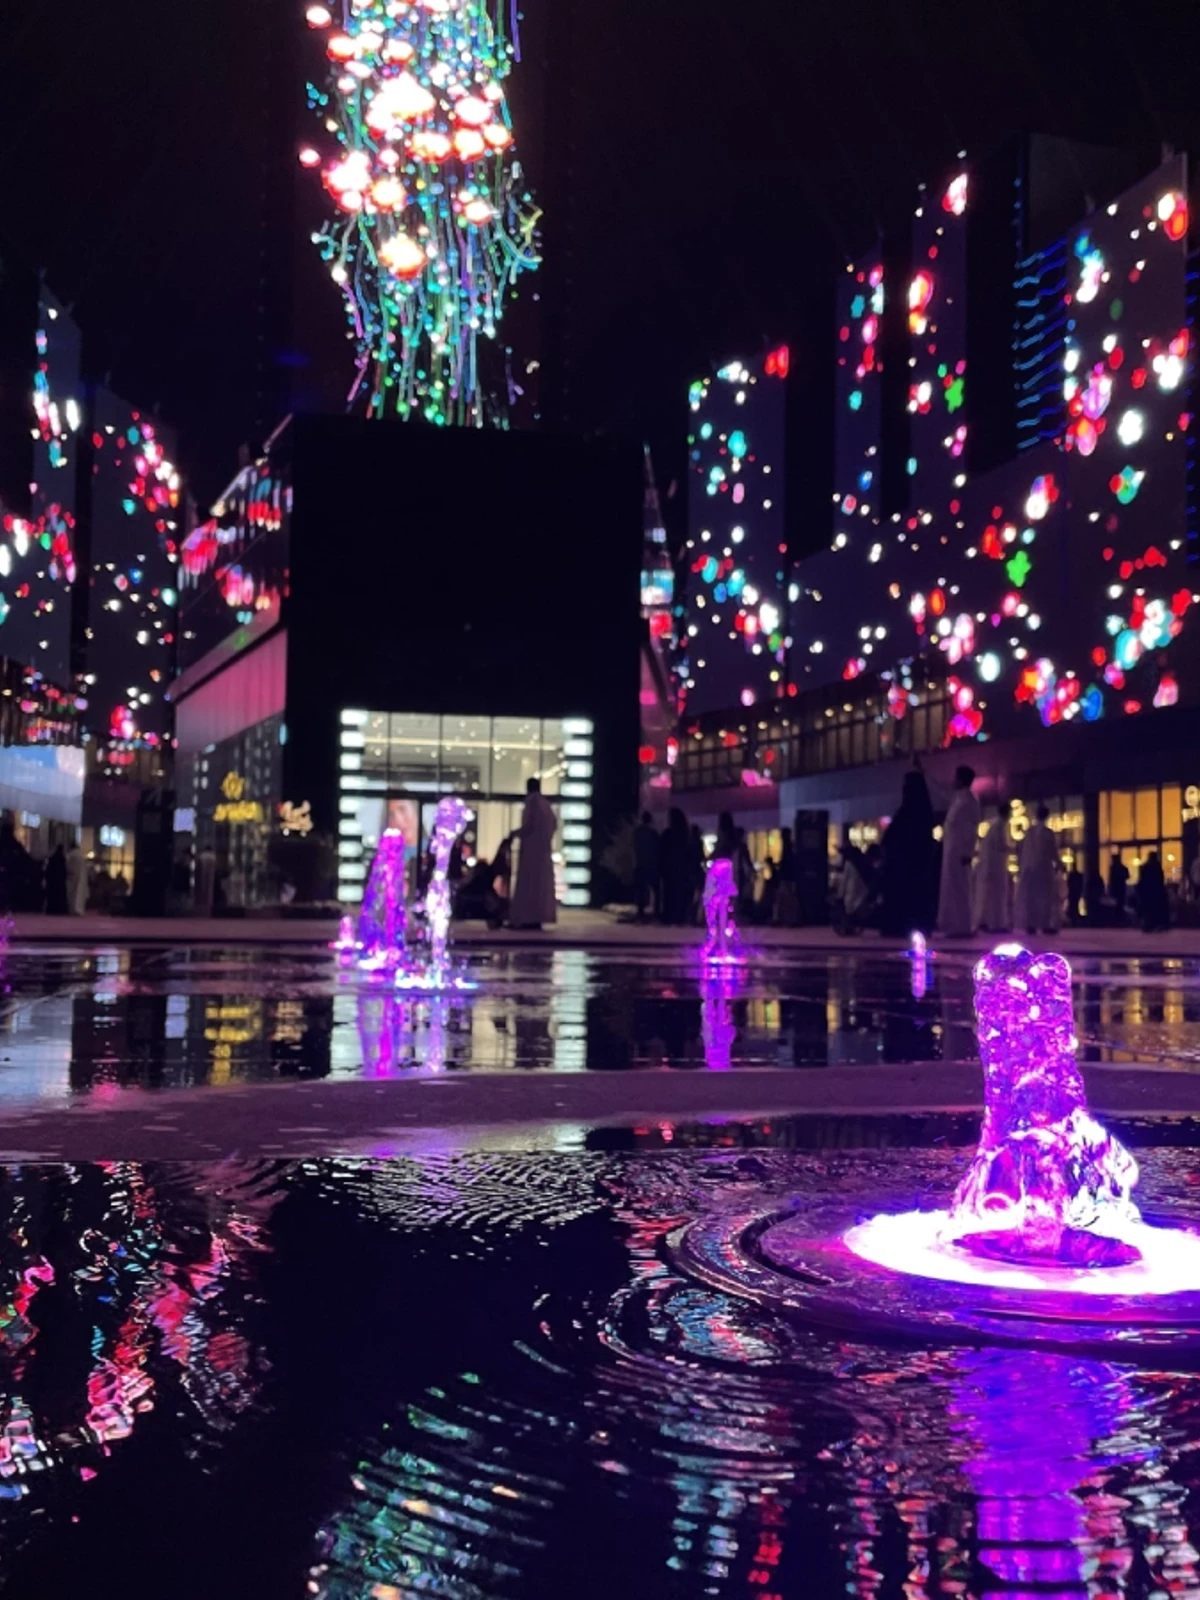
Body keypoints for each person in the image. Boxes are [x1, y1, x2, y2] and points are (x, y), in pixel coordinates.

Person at [880, 769, 938, 938]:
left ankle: (899, 925)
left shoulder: (907, 812)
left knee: (903, 894)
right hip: (917, 865)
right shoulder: (924, 811)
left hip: (903, 864)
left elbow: (895, 836)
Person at [937, 765, 980, 937]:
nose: (953, 781)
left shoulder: (969, 801)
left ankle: (963, 926)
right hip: (951, 850)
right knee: (951, 888)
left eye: (956, 777)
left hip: (961, 853)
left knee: (961, 888)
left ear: (961, 780)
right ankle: (953, 926)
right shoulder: (958, 799)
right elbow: (940, 790)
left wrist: (968, 852)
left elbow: (972, 829)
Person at [509, 777, 558, 929]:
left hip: (531, 853)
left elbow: (528, 826)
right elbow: (554, 824)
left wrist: (514, 834)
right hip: (543, 852)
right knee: (540, 887)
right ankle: (537, 918)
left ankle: (526, 918)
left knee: (528, 885)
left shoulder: (532, 802)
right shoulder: (545, 804)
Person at [1015, 803, 1061, 933]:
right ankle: (1045, 924)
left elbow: (1021, 851)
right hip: (1044, 869)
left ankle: (1031, 924)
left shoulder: (1029, 833)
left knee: (1031, 897)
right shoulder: (1048, 833)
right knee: (1045, 897)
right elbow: (1053, 851)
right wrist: (1058, 864)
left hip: (1030, 870)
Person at [974, 801, 1012, 933]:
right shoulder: (1000, 826)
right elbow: (1000, 845)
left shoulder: (994, 825)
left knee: (989, 895)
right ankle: (997, 924)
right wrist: (1013, 848)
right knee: (998, 895)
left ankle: (987, 921)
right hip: (996, 867)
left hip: (990, 867)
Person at [659, 807, 692, 925]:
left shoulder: (668, 834)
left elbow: (661, 852)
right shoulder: (685, 834)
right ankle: (679, 916)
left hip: (670, 869)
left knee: (669, 893)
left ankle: (669, 916)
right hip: (681, 869)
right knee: (679, 893)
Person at [632, 811, 660, 922]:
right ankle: (656, 912)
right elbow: (657, 849)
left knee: (641, 889)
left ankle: (641, 912)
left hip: (640, 864)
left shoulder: (637, 833)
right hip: (651, 865)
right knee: (656, 890)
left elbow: (635, 849)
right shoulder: (653, 833)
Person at [1138, 851, 1170, 933]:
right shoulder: (1157, 866)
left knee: (1148, 909)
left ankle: (1148, 925)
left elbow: (1142, 880)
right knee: (1156, 909)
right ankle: (1156, 924)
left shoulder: (1145, 867)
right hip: (1156, 892)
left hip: (1148, 892)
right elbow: (1160, 879)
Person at [773, 826, 798, 926]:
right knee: (788, 898)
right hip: (789, 876)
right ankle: (789, 918)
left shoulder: (786, 847)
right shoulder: (790, 846)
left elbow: (786, 862)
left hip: (786, 877)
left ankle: (786, 918)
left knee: (784, 898)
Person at [45, 844, 68, 916]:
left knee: (52, 896)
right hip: (60, 881)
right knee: (59, 896)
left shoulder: (52, 858)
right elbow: (64, 870)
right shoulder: (62, 859)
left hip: (53, 881)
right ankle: (60, 910)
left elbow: (48, 870)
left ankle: (52, 909)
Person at [66, 840, 87, 915]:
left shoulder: (71, 855)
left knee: (72, 894)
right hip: (81, 877)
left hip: (72, 876)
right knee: (79, 894)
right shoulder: (81, 855)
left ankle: (73, 909)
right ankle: (78, 909)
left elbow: (67, 866)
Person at [1108, 853, 1130, 919]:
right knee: (1119, 903)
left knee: (1118, 903)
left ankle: (1118, 916)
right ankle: (1119, 916)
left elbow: (1111, 879)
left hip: (1118, 888)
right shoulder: (1120, 868)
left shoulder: (1114, 868)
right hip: (1120, 888)